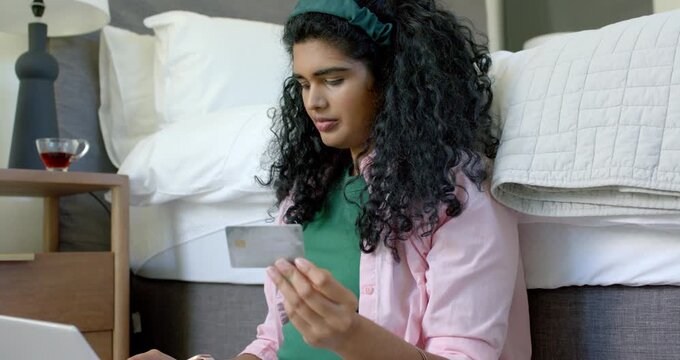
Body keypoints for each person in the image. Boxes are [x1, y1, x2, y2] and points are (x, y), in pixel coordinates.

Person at [130, 0, 532, 359]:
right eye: (304, 84)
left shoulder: (455, 193)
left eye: (333, 80)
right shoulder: (306, 193)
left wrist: (351, 334)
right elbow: (273, 340)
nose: (313, 102)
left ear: (389, 80)